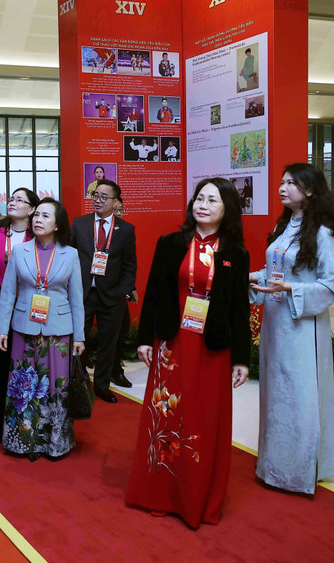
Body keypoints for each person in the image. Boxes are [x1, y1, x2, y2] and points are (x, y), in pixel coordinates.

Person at [126, 178, 250, 528]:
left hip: (212, 348)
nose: (203, 205)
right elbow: (153, 292)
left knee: (203, 420)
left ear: (227, 209)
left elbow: (239, 309)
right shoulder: (171, 243)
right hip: (173, 345)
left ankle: (197, 497)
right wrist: (145, 339)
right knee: (167, 416)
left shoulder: (235, 253)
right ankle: (162, 494)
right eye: (199, 198)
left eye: (212, 200)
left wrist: (242, 358)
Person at [250, 163, 334, 494]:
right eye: (282, 181)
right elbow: (275, 271)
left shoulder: (324, 233)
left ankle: (298, 471)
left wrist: (290, 289)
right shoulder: (283, 226)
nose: (282, 187)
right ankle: (274, 465)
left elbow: (330, 285)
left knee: (300, 395)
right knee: (275, 392)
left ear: (310, 190)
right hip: (276, 324)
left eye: (291, 182)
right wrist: (253, 278)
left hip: (302, 327)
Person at [0, 198, 85, 460]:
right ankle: (22, 441)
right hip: (24, 328)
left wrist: (79, 336)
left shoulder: (70, 254)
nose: (38, 219)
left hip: (59, 331)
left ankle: (54, 443)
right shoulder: (19, 251)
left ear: (57, 225)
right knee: (23, 385)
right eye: (37, 215)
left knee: (55, 386)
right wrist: (1, 330)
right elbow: (8, 293)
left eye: (46, 216)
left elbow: (76, 298)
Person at [0, 188, 37, 443]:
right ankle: (0, 425)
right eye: (11, 199)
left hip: (32, 304)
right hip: (2, 301)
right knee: (2, 363)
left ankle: (28, 423)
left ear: (32, 209)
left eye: (19, 200)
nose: (13, 202)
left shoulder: (39, 235)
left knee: (28, 362)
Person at [69, 180, 137, 402]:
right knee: (77, 340)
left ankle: (102, 386)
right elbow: (67, 257)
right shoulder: (79, 224)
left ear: (115, 201)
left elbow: (129, 266)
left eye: (104, 197)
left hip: (112, 297)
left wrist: (123, 292)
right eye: (95, 195)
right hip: (83, 294)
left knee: (109, 344)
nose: (98, 200)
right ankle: (76, 383)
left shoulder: (125, 230)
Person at [112, 198, 136, 388]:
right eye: (115, 210)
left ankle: (115, 370)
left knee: (121, 328)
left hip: (117, 292)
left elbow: (129, 264)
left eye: (121, 210)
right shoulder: (91, 229)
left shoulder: (125, 231)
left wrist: (129, 288)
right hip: (92, 291)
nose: (118, 213)